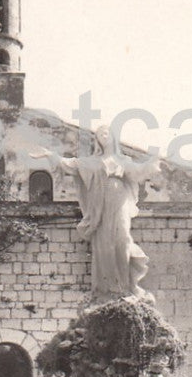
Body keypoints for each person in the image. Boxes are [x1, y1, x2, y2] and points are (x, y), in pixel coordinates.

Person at [33, 125, 162, 302]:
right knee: (104, 245)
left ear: (113, 137)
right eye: (100, 133)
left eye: (107, 132)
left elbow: (138, 171)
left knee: (122, 240)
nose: (104, 135)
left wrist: (151, 163)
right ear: (97, 140)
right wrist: (49, 155)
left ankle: (125, 288)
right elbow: (70, 165)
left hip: (120, 202)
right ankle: (107, 290)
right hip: (101, 206)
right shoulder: (92, 162)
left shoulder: (123, 160)